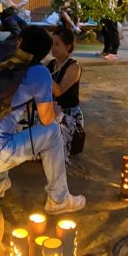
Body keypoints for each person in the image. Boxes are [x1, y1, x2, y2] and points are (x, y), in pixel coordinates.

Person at [0, 26, 86, 214]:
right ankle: (59, 199)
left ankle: (0, 182)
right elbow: (46, 119)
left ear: (19, 42)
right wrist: (54, 111)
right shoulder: (39, 72)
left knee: (11, 122)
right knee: (52, 131)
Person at [47, 28, 83, 163]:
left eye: (57, 44)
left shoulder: (74, 67)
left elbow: (58, 91)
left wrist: (42, 74)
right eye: (51, 43)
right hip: (53, 111)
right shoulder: (51, 64)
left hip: (69, 116)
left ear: (68, 47)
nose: (52, 47)